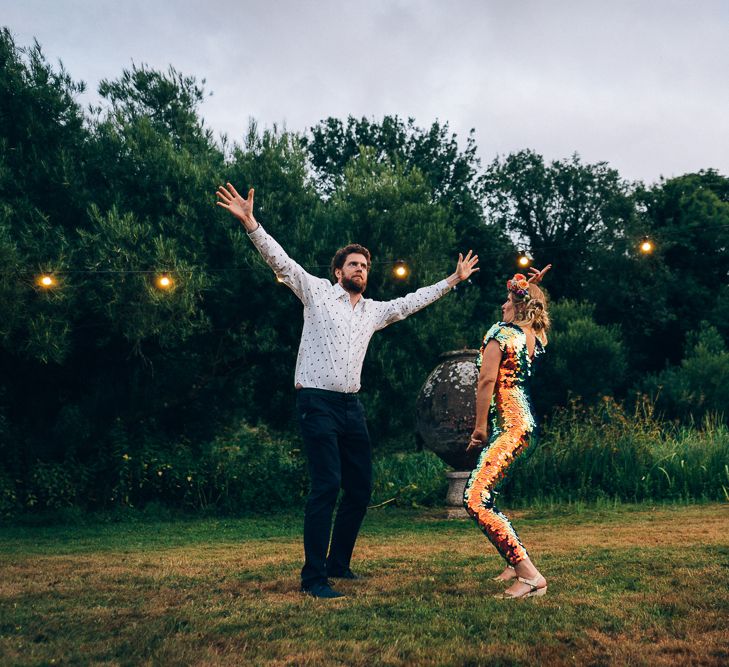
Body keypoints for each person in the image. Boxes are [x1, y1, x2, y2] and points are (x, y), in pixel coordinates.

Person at [216, 183, 480, 599]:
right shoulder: (317, 292)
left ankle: (339, 564)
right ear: (338, 271)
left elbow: (412, 301)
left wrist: (452, 280)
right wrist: (250, 222)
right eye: (354, 265)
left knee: (359, 489)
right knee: (327, 485)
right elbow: (280, 261)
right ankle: (313, 578)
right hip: (316, 403)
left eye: (365, 266)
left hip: (350, 407)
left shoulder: (374, 312)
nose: (361, 270)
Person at [464, 269, 551, 599]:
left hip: (510, 425)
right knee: (490, 493)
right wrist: (534, 286)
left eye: (507, 299)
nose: (502, 305)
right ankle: (513, 565)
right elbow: (536, 306)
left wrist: (480, 427)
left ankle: (529, 575)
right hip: (526, 424)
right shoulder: (532, 338)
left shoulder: (500, 333)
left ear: (517, 305)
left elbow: (486, 381)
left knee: (475, 498)